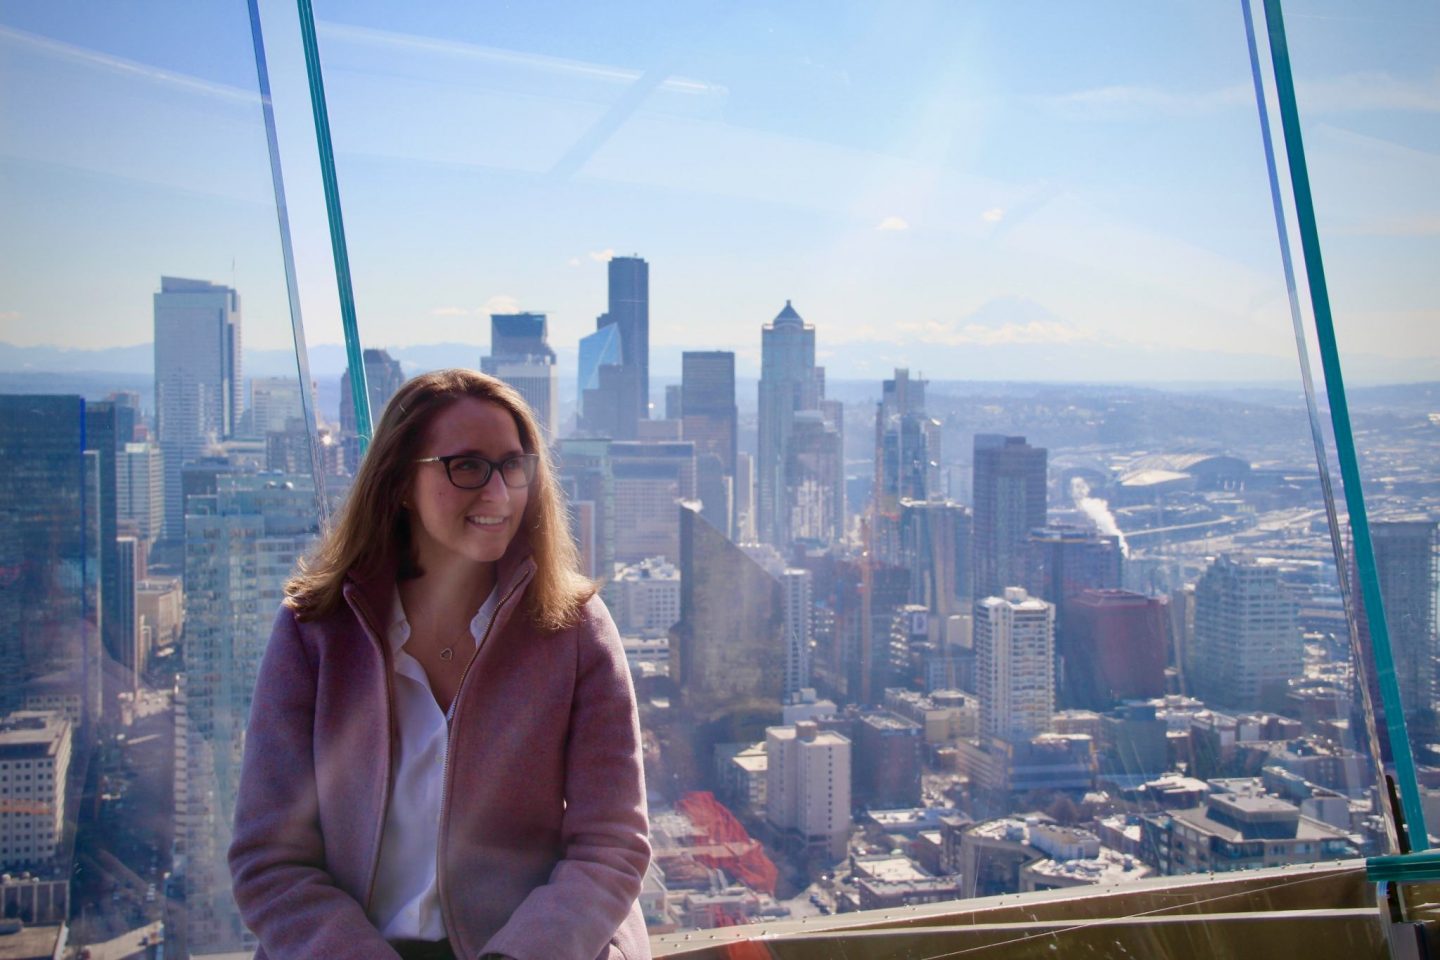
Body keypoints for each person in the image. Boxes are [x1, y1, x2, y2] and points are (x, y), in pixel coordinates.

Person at [229, 369, 651, 960]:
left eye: (513, 465)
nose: (499, 494)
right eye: (467, 466)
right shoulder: (314, 634)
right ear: (401, 481)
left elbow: (611, 846)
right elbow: (269, 860)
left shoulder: (574, 629)